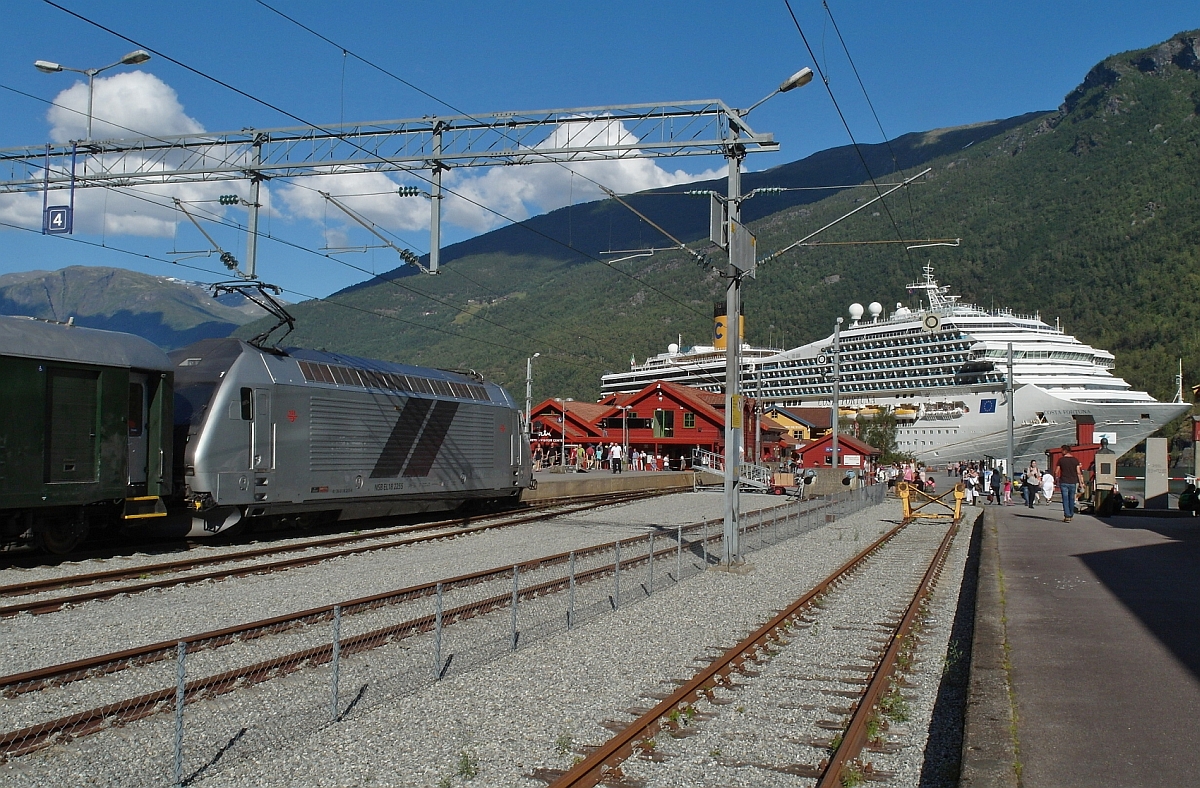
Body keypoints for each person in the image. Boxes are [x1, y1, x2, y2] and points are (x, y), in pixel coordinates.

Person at [1056, 446, 1082, 521]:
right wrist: (1080, 483)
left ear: (1065, 451)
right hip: (1073, 482)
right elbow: (1078, 472)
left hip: (1064, 481)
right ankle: (1071, 514)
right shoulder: (1075, 460)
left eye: (1062, 450)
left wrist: (1056, 479)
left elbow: (1056, 471)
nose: (1061, 452)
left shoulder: (1061, 460)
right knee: (1071, 499)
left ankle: (1067, 515)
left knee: (1065, 499)